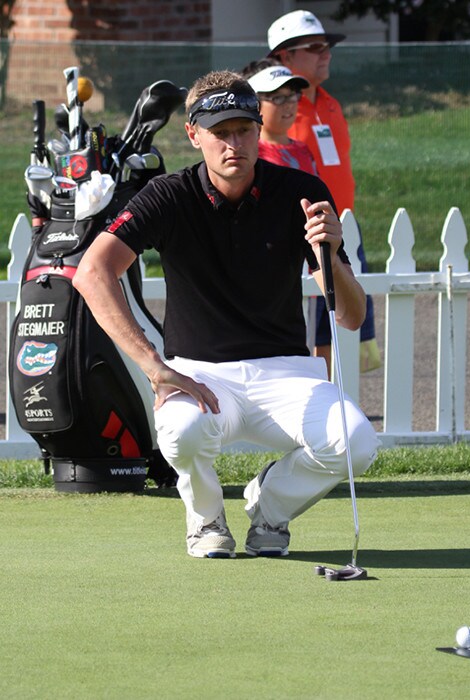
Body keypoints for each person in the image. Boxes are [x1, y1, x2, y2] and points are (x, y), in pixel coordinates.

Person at [73, 70, 379, 560]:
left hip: (288, 375)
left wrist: (332, 254)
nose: (233, 143)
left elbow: (350, 316)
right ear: (194, 134)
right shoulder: (168, 195)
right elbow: (92, 273)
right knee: (181, 431)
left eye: (243, 130)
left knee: (356, 442)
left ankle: (270, 507)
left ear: (258, 129)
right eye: (219, 132)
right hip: (201, 375)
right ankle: (207, 518)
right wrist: (154, 366)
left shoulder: (300, 191)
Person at [267, 9, 381, 373]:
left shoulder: (330, 103)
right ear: (285, 56)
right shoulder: (277, 111)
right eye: (314, 47)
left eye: (327, 46)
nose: (326, 53)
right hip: (306, 232)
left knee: (340, 322)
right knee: (312, 325)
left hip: (343, 224)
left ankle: (333, 389)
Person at [241, 57, 331, 366]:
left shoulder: (302, 148)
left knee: (319, 338)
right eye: (277, 97)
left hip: (309, 258)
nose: (288, 104)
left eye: (292, 95)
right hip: (273, 263)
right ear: (253, 103)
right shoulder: (252, 154)